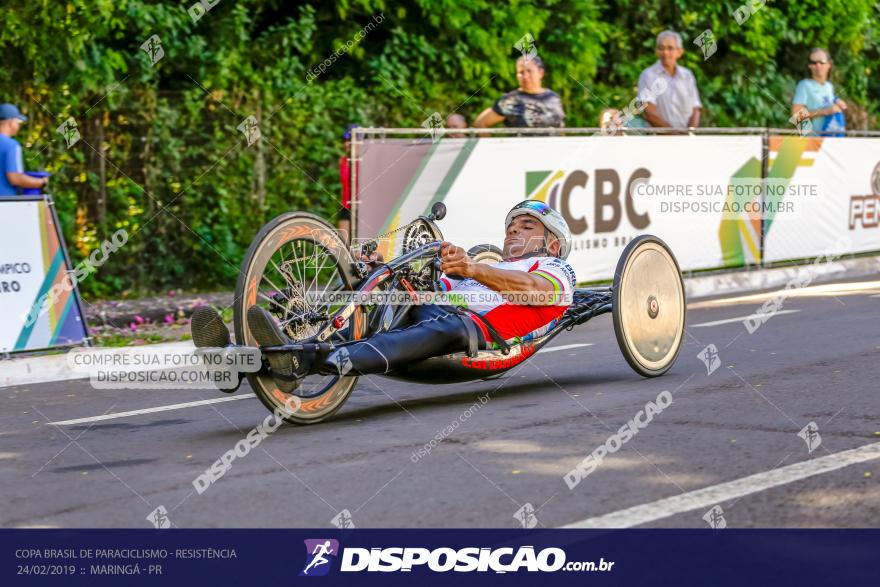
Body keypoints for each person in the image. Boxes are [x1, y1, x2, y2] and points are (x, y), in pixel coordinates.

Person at [221, 201, 576, 391]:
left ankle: (301, 359)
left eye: (527, 226)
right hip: (438, 310)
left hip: (473, 332)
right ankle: (247, 358)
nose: (513, 230)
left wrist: (471, 268)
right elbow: (437, 292)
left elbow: (538, 293)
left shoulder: (555, 269)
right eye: (511, 226)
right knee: (394, 290)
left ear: (553, 243)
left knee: (448, 326)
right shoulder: (486, 273)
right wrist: (383, 270)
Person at [473, 56, 565, 128]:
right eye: (521, 72)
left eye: (529, 71)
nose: (525, 76)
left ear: (541, 73)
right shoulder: (510, 100)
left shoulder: (553, 97)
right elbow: (480, 123)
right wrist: (489, 149)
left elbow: (560, 127)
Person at [637, 31, 702, 129]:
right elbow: (649, 112)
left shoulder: (687, 76)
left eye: (670, 48)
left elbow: (695, 109)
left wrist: (690, 133)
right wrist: (674, 135)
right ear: (656, 51)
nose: (665, 52)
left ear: (680, 52)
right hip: (658, 139)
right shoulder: (648, 75)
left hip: (686, 139)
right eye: (661, 48)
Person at [791, 48, 847, 136]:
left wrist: (837, 101)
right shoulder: (804, 85)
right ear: (809, 66)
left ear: (829, 64)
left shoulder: (829, 86)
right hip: (813, 143)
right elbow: (796, 116)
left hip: (831, 141)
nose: (818, 65)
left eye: (822, 62)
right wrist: (824, 111)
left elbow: (827, 102)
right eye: (813, 63)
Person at [0, 103, 47, 196]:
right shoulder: (11, 145)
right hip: (5, 204)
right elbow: (15, 178)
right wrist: (41, 182)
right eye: (18, 122)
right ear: (12, 123)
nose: (18, 125)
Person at [337, 124, 359, 242]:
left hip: (361, 207)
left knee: (362, 244)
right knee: (343, 245)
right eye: (345, 141)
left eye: (350, 140)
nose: (346, 144)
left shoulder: (365, 160)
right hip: (346, 206)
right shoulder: (343, 161)